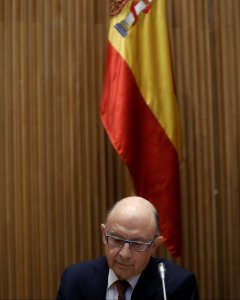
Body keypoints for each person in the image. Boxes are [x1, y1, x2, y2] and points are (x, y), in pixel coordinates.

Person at [56, 196, 199, 300]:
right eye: (117, 239)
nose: (124, 254)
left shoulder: (176, 286)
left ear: (155, 245)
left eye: (137, 243)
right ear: (104, 234)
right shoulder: (74, 280)